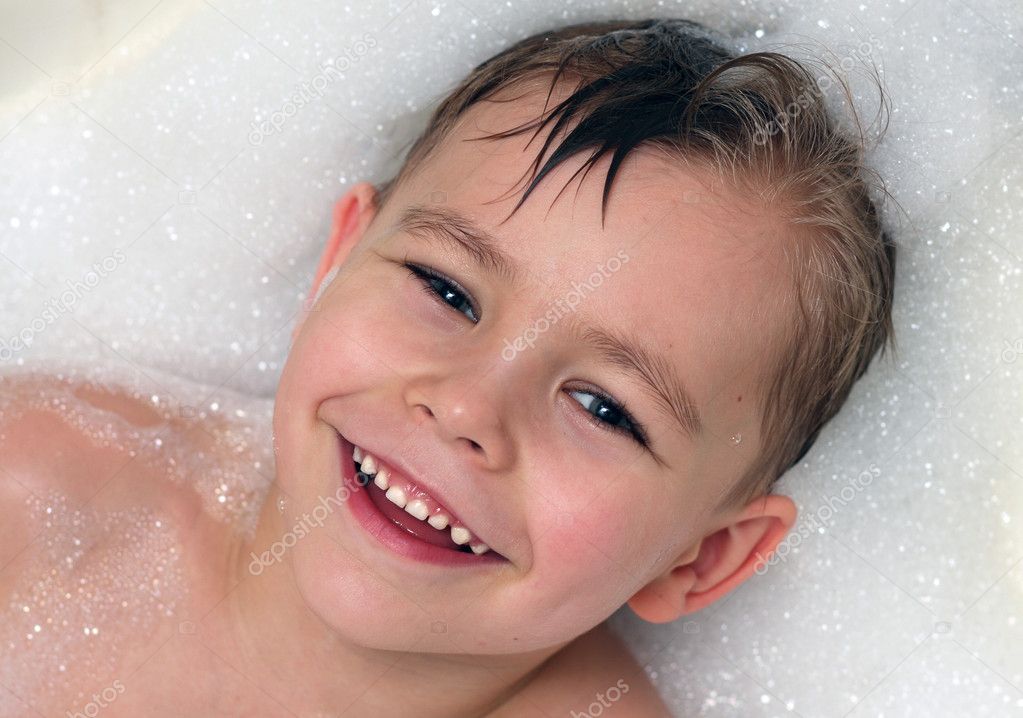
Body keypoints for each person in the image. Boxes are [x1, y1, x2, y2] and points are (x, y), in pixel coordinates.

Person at [0, 17, 896, 717]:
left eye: (603, 407)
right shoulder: (38, 494)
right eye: (446, 290)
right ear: (338, 260)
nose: (467, 405)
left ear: (699, 560)